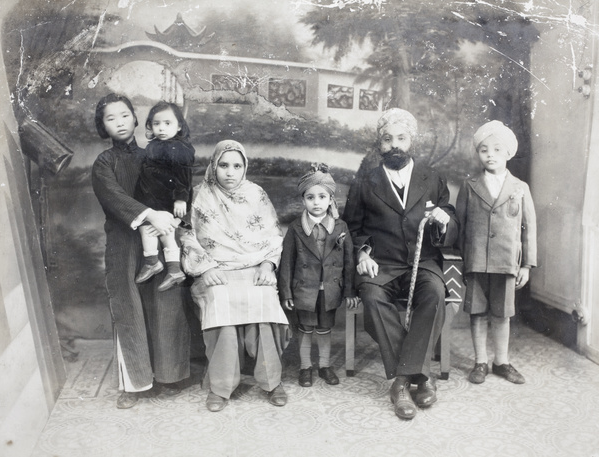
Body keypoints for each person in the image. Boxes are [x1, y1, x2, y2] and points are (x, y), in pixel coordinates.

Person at [343, 108, 458, 420]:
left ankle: (401, 381)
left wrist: (444, 219)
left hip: (423, 263)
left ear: (412, 141)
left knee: (435, 293)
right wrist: (362, 254)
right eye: (387, 139)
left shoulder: (432, 179)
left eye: (401, 138)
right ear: (379, 144)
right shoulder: (365, 182)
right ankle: (418, 376)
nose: (394, 144)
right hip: (382, 264)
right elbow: (350, 228)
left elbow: (450, 217)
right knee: (371, 294)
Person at [91, 93, 190, 409]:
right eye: (111, 118)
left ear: (136, 119)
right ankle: (136, 383)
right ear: (103, 126)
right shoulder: (104, 163)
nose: (119, 123)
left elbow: (177, 182)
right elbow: (114, 197)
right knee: (128, 307)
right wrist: (150, 215)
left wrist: (176, 206)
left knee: (165, 302)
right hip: (124, 242)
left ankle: (169, 375)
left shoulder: (154, 154)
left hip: (159, 239)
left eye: (124, 115)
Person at [179, 139, 289, 412]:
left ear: (244, 168)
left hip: (254, 266)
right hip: (215, 268)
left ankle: (272, 381)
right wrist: (207, 267)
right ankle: (221, 385)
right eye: (224, 165)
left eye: (237, 166)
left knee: (264, 300)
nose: (230, 172)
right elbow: (186, 235)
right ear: (214, 166)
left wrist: (267, 265)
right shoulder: (199, 195)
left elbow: (274, 234)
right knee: (220, 302)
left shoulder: (257, 194)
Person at [456, 120, 537, 385]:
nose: (491, 155)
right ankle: (480, 362)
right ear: (478, 153)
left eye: (497, 149)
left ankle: (501, 362)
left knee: (502, 314)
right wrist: (460, 263)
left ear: (508, 153)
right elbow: (460, 226)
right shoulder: (469, 186)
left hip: (506, 263)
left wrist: (526, 265)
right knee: (478, 313)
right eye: (484, 150)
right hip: (476, 260)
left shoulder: (519, 188)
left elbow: (529, 229)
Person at [278, 164, 359, 388]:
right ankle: (305, 367)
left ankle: (324, 366)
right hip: (304, 290)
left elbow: (349, 261)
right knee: (304, 329)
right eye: (310, 197)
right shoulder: (295, 228)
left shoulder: (341, 226)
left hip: (330, 289)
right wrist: (285, 292)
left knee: (324, 329)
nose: (316, 202)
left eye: (322, 196)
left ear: (331, 199)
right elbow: (286, 262)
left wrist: (350, 290)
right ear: (303, 200)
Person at [134, 101, 196, 292]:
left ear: (179, 126)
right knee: (151, 229)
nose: (161, 128)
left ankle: (169, 267)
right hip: (151, 196)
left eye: (167, 123)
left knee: (165, 231)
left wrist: (180, 198)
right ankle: (159, 264)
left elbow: (184, 176)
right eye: (156, 124)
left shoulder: (179, 148)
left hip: (168, 197)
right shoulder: (155, 145)